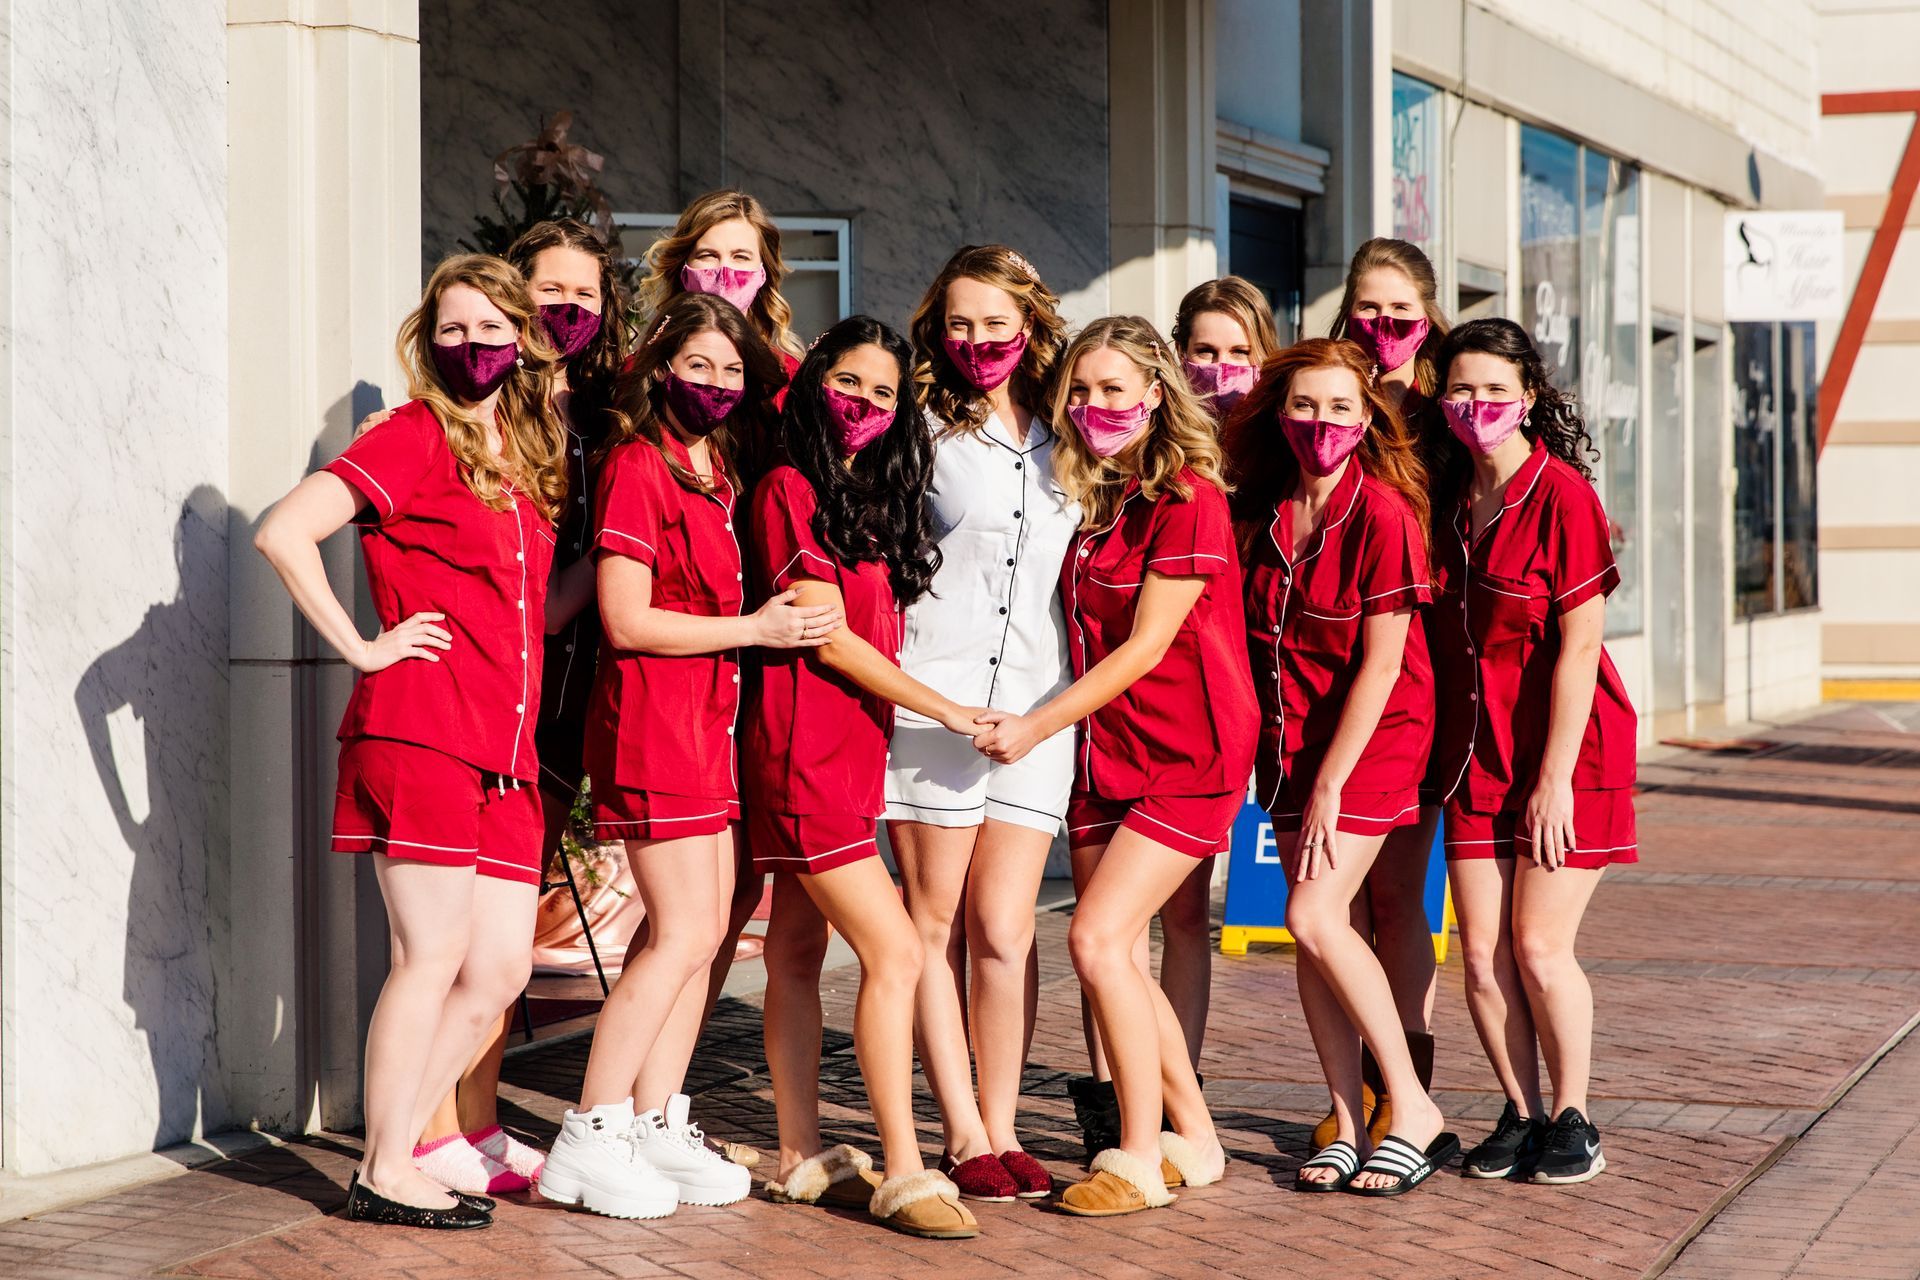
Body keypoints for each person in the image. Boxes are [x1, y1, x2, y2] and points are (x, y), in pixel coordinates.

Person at [253, 253, 569, 1229]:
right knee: (430, 954)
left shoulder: (522, 443)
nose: (470, 345)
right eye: (452, 329)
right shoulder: (410, 432)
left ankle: (409, 1143)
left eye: (489, 328)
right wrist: (361, 644)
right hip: (422, 730)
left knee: (503, 969)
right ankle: (386, 1163)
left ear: (521, 336)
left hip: (506, 752)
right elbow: (283, 531)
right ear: (428, 339)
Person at [537, 293, 829, 1219]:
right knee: (672, 940)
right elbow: (624, 616)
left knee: (701, 938)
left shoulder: (722, 471)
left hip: (708, 729)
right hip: (652, 729)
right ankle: (589, 1134)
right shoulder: (639, 466)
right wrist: (756, 626)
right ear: (662, 366)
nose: (715, 384)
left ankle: (654, 1120)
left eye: (731, 370)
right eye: (697, 365)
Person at [972, 316, 1256, 1217]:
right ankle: (1197, 1137)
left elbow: (1142, 648)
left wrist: (1030, 726)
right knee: (1120, 951)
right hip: (1106, 750)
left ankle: (1136, 1153)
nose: (1096, 407)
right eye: (1081, 392)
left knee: (1093, 940)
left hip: (1190, 747)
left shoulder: (1190, 498)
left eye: (1114, 390)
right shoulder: (1088, 495)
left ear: (1156, 395)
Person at [747, 316, 984, 1239]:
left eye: (885, 394)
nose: (865, 405)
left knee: (798, 953)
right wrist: (952, 712)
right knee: (896, 953)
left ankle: (800, 1155)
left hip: (852, 757)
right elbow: (828, 636)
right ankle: (907, 1166)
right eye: (850, 384)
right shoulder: (786, 487)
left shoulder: (865, 499)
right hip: (804, 753)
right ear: (814, 384)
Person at [404, 217, 627, 1198]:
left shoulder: (606, 416)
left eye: (585, 296)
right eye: (550, 294)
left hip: (572, 696)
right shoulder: (485, 410)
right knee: (462, 936)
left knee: (510, 936)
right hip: (491, 692)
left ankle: (478, 1121)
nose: (566, 311)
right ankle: (435, 1125)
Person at [1228, 338, 1454, 1196]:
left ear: (1366, 420)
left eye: (1339, 409)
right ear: (1280, 412)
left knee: (1313, 913)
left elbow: (1385, 663)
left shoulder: (1387, 515)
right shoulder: (1265, 511)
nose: (1320, 423)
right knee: (1318, 934)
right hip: (1288, 746)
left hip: (1374, 741)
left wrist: (1329, 782)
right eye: (1304, 406)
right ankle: (1348, 1121)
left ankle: (1411, 1106)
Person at [1428, 318, 1637, 1186]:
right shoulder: (1446, 496)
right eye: (1461, 389)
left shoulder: (1562, 496)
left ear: (1530, 398)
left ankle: (1577, 1117)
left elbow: (1582, 647)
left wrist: (1553, 782)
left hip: (1567, 753)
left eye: (1493, 390)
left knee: (1540, 948)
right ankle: (1521, 1110)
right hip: (1474, 755)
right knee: (1480, 954)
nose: (1477, 405)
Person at [884, 244, 1073, 1201]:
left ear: (1030, 325)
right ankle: (960, 1132)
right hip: (934, 704)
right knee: (932, 925)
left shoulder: (1073, 431)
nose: (978, 340)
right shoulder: (913, 428)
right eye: (960, 323)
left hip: (1041, 709)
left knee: (1006, 930)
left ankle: (1003, 1122)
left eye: (996, 322)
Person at [1308, 237, 1455, 1151]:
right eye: (1368, 309)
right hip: (1328, 675)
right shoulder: (1321, 397)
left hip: (1420, 668)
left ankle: (1405, 1088)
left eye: (1402, 314)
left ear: (1428, 319)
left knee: (1397, 900)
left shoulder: (1447, 413)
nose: (1384, 328)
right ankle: (1351, 1094)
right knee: (1335, 908)